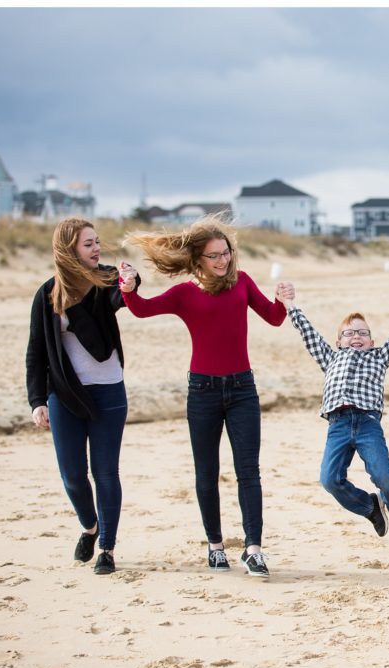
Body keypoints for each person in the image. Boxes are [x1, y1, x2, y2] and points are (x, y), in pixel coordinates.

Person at [118, 216, 290, 578]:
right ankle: (215, 547)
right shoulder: (184, 293)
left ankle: (253, 549)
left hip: (243, 389)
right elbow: (141, 309)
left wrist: (282, 300)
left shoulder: (242, 283)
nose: (222, 260)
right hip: (203, 392)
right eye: (214, 256)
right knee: (207, 473)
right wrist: (129, 288)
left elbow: (273, 318)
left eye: (226, 253)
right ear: (198, 258)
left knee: (249, 472)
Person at [279, 278, 389, 539]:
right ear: (338, 342)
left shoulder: (380, 356)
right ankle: (369, 506)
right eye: (349, 334)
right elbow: (307, 331)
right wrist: (289, 303)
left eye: (363, 333)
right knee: (329, 480)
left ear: (372, 341)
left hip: (367, 423)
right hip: (338, 424)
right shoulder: (330, 357)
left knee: (383, 476)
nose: (356, 337)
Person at [25, 217, 136, 575]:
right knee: (73, 474)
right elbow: (36, 351)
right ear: (69, 248)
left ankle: (107, 548)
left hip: (108, 391)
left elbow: (122, 293)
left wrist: (130, 283)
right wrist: (37, 401)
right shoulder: (47, 294)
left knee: (106, 472)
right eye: (88, 244)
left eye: (97, 242)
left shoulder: (105, 280)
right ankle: (90, 526)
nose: (96, 248)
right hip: (65, 395)